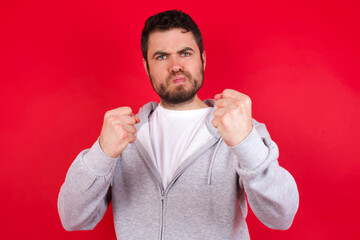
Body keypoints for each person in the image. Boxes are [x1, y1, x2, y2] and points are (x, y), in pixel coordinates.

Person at [58, 10, 299, 240]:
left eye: (185, 53)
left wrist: (245, 143)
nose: (175, 65)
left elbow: (282, 216)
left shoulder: (239, 127)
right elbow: (73, 218)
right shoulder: (123, 135)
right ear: (146, 67)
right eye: (161, 56)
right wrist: (103, 153)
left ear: (202, 59)